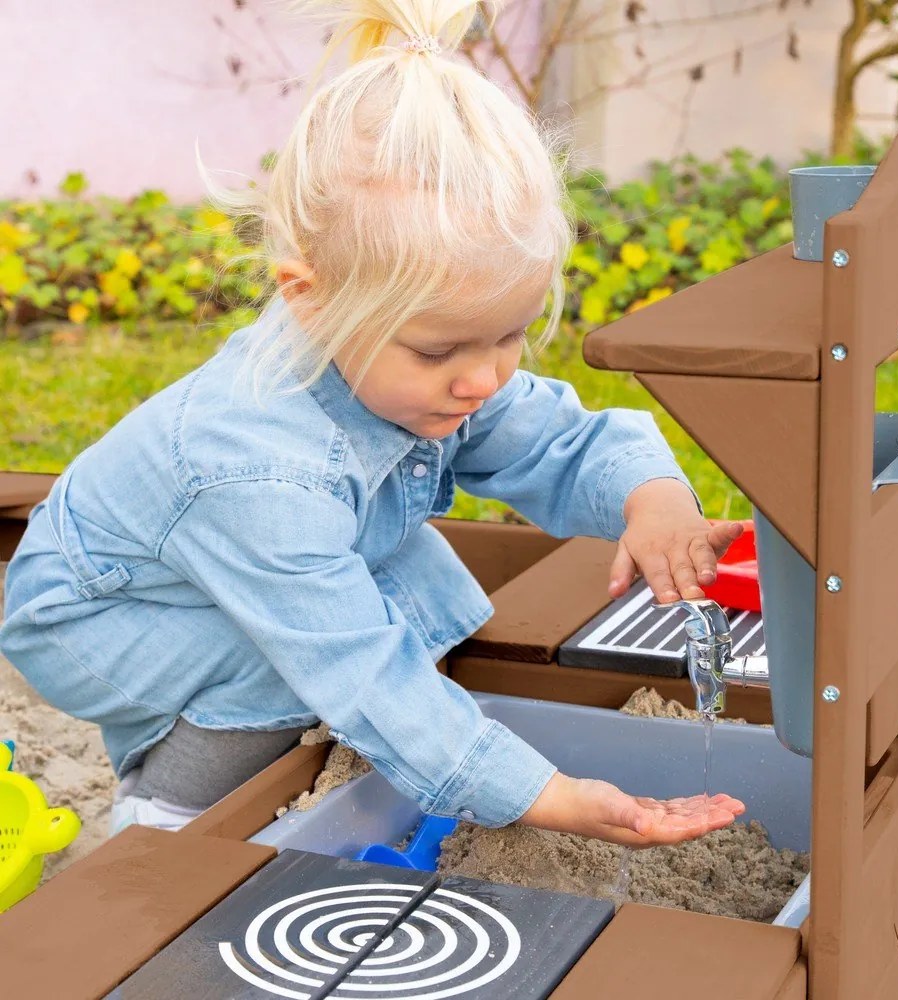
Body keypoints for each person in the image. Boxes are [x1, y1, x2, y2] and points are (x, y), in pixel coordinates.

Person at [0, 0, 745, 844]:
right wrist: (543, 794)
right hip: (103, 616)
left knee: (394, 593)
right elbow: (358, 670)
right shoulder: (254, 467)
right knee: (286, 661)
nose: (483, 378)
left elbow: (561, 440)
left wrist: (652, 498)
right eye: (440, 351)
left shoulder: (425, 363)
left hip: (222, 564)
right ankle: (165, 816)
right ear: (309, 302)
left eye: (509, 335)